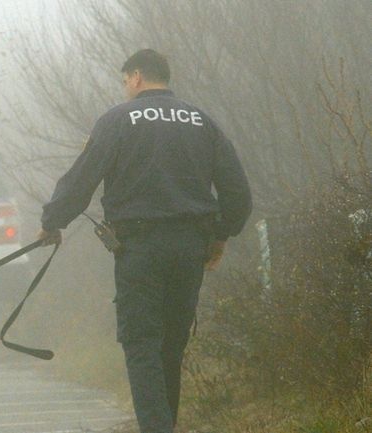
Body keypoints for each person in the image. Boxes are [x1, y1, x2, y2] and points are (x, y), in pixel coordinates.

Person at [37, 49, 252, 433]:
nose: (125, 89)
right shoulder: (202, 121)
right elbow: (238, 195)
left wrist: (52, 222)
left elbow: (81, 180)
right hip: (190, 248)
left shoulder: (117, 120)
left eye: (124, 82)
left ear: (135, 77)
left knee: (142, 345)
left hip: (141, 249)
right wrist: (220, 235)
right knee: (171, 345)